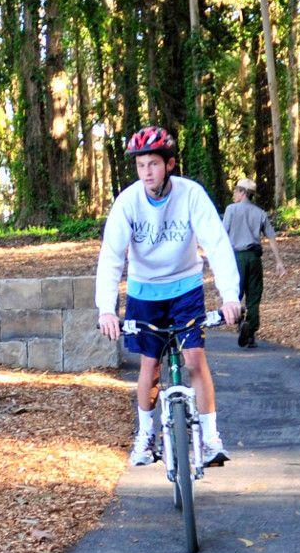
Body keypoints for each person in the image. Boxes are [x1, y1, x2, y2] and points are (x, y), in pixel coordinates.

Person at [96, 127, 244, 468]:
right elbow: (111, 256)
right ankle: (146, 437)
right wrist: (107, 308)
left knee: (194, 359)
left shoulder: (191, 195)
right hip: (143, 291)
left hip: (185, 288)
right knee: (150, 364)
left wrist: (230, 297)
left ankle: (209, 439)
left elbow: (217, 244)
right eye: (141, 165)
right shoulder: (128, 202)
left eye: (153, 164)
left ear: (170, 165)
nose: (147, 172)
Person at [222, 178, 277, 348]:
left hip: (236, 258)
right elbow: (271, 237)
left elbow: (222, 236)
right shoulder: (260, 213)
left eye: (236, 191)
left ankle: (240, 323)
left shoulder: (231, 210)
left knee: (235, 294)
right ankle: (251, 333)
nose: (234, 194)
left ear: (242, 193)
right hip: (254, 258)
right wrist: (279, 261)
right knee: (253, 297)